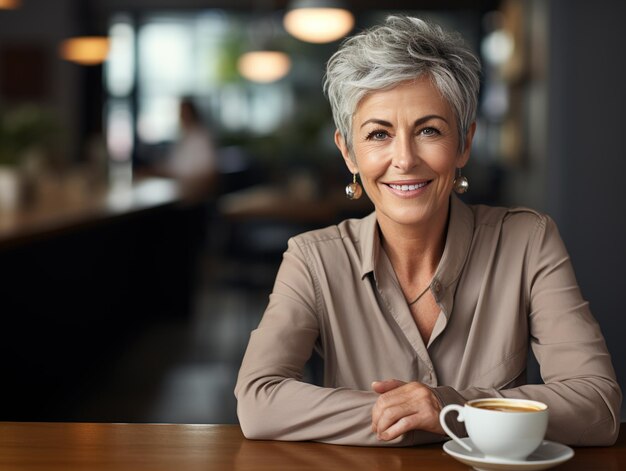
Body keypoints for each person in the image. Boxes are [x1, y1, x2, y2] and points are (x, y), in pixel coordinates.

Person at [234, 16, 621, 447]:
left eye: (429, 130)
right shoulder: (313, 259)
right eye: (378, 134)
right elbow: (258, 401)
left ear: (464, 144)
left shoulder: (528, 241)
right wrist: (423, 416)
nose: (404, 159)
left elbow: (598, 404)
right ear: (349, 152)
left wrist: (448, 408)